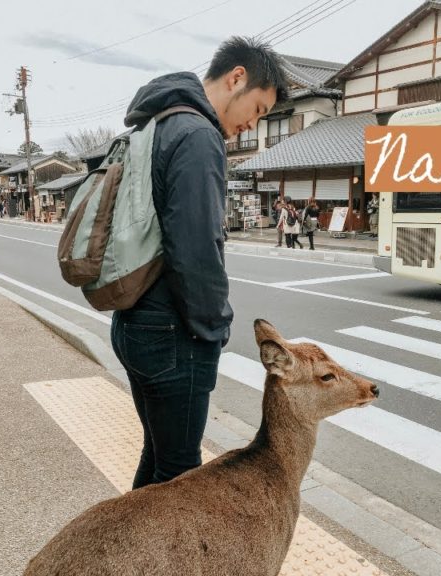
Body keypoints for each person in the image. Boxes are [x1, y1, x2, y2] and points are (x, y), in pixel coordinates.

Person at [111, 36, 288, 490]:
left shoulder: (155, 122)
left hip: (133, 320)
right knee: (180, 475)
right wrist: (214, 329)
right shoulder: (199, 135)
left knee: (159, 456)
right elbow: (196, 249)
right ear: (237, 78)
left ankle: (131, 554)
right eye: (260, 110)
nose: (252, 124)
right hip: (173, 333)